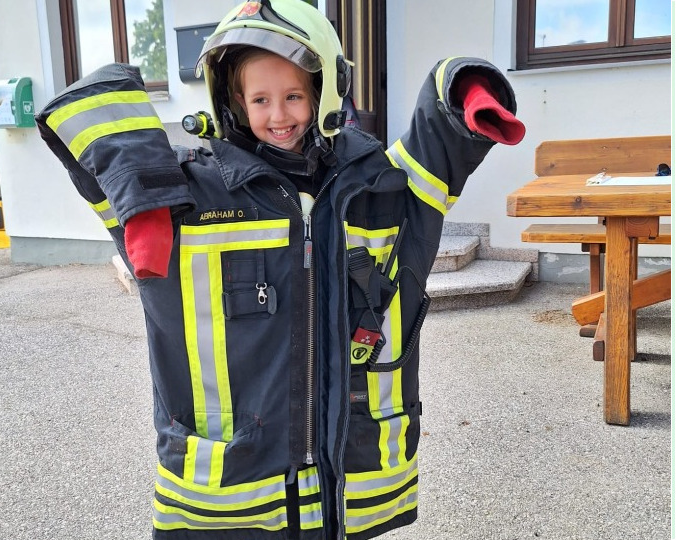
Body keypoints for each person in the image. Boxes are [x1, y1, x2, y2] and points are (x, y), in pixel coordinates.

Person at [36, 1, 525, 538]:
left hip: (348, 484)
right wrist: (142, 189)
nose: (278, 115)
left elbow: (440, 141)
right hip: (228, 498)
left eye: (293, 96)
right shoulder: (183, 198)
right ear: (232, 102)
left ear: (325, 93)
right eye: (260, 99)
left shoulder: (376, 188)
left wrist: (468, 94)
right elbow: (89, 114)